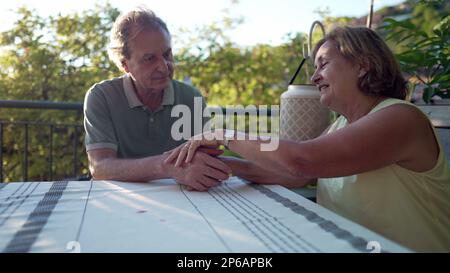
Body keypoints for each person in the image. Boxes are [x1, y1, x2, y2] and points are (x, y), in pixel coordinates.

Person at [165, 26, 450, 252]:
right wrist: (217, 164)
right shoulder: (340, 125)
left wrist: (223, 134)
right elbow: (292, 175)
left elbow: (303, 160)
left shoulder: (400, 118)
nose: (314, 77)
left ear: (362, 65)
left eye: (323, 64)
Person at [83, 6, 231, 191]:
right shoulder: (101, 96)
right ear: (124, 65)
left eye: (167, 54)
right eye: (149, 58)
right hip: (119, 200)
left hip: (181, 200)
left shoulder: (191, 97)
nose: (164, 67)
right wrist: (166, 166)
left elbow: (206, 161)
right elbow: (99, 167)